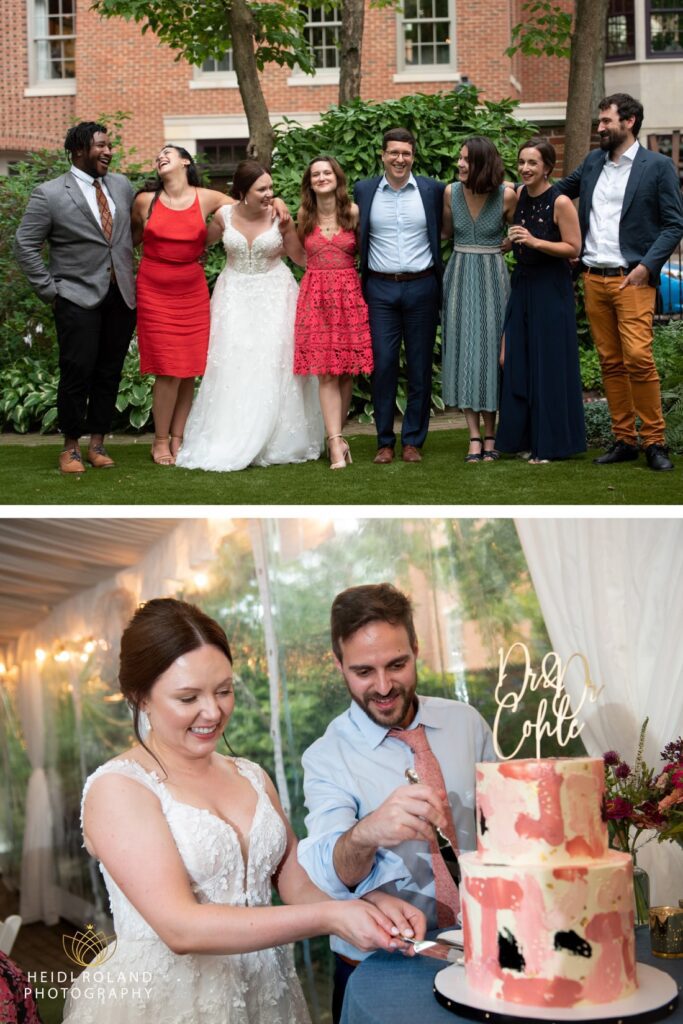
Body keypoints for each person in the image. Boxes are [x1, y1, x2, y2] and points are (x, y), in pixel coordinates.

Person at [62, 598, 425, 1024]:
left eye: (223, 690)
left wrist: (366, 901)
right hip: (172, 1003)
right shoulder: (119, 788)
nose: (213, 712)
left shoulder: (251, 775)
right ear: (141, 697)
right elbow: (180, 927)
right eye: (188, 697)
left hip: (267, 996)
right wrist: (332, 916)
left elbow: (298, 884)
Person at [298, 583, 496, 1022]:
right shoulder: (325, 757)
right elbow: (334, 874)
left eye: (397, 665)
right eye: (363, 671)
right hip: (378, 971)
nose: (384, 686)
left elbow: (504, 829)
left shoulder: (466, 724)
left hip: (485, 956)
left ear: (416, 649)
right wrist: (369, 830)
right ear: (339, 665)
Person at [555, 93, 683, 472]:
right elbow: (559, 192)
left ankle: (655, 442)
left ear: (629, 122)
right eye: (599, 121)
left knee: (639, 360)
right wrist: (569, 241)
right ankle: (624, 439)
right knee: (610, 363)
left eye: (606, 121)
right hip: (594, 278)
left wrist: (647, 266)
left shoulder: (657, 167)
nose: (600, 128)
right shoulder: (594, 162)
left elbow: (674, 223)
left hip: (633, 280)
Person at [175, 160, 323, 472]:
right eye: (262, 189)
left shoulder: (279, 216)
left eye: (271, 188)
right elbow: (198, 243)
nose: (270, 193)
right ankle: (230, 434)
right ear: (243, 193)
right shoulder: (223, 215)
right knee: (233, 361)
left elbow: (299, 257)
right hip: (233, 296)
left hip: (275, 295)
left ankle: (278, 439)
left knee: (274, 362)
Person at [14, 121, 136, 475]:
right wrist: (51, 291)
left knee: (109, 371)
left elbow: (126, 236)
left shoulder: (122, 186)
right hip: (75, 296)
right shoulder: (50, 194)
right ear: (79, 150)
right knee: (76, 371)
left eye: (109, 145)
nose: (108, 151)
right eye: (101, 146)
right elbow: (25, 244)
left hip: (120, 296)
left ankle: (98, 444)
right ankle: (70, 448)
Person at [132, 146, 237, 466]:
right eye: (158, 155)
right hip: (153, 288)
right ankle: (160, 440)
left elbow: (245, 208)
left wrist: (273, 200)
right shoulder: (143, 201)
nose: (160, 156)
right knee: (167, 368)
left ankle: (180, 437)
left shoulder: (207, 198)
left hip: (191, 289)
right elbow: (128, 240)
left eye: (167, 153)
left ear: (185, 161)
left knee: (189, 367)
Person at [354, 128, 445, 464]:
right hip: (379, 288)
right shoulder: (364, 191)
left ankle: (412, 441)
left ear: (413, 156)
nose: (400, 159)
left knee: (420, 366)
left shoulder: (431, 190)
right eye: (393, 152)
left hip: (422, 286)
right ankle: (384, 442)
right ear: (383, 155)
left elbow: (449, 225)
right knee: (384, 364)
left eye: (406, 153)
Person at [495, 138, 586, 463]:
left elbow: (574, 248)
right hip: (523, 285)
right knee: (513, 359)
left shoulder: (560, 201)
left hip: (551, 287)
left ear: (548, 167)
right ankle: (522, 438)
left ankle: (550, 445)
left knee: (547, 364)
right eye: (521, 162)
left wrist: (534, 242)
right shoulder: (518, 194)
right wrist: (511, 242)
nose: (525, 168)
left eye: (532, 163)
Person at [294, 156, 373, 470]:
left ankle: (337, 439)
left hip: (348, 294)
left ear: (337, 178)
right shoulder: (304, 215)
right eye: (316, 174)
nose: (322, 177)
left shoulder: (352, 212)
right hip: (316, 296)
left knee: (344, 372)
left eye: (327, 172)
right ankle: (335, 445)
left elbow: (367, 252)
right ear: (309, 182)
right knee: (326, 371)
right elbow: (300, 252)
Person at [441, 137, 517, 462]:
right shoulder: (450, 192)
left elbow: (523, 229)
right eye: (460, 158)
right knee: (462, 352)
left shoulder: (507, 194)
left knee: (490, 353)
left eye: (467, 160)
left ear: (484, 164)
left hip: (492, 277)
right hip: (459, 274)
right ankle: (473, 435)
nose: (460, 164)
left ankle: (492, 434)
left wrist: (512, 242)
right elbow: (446, 232)